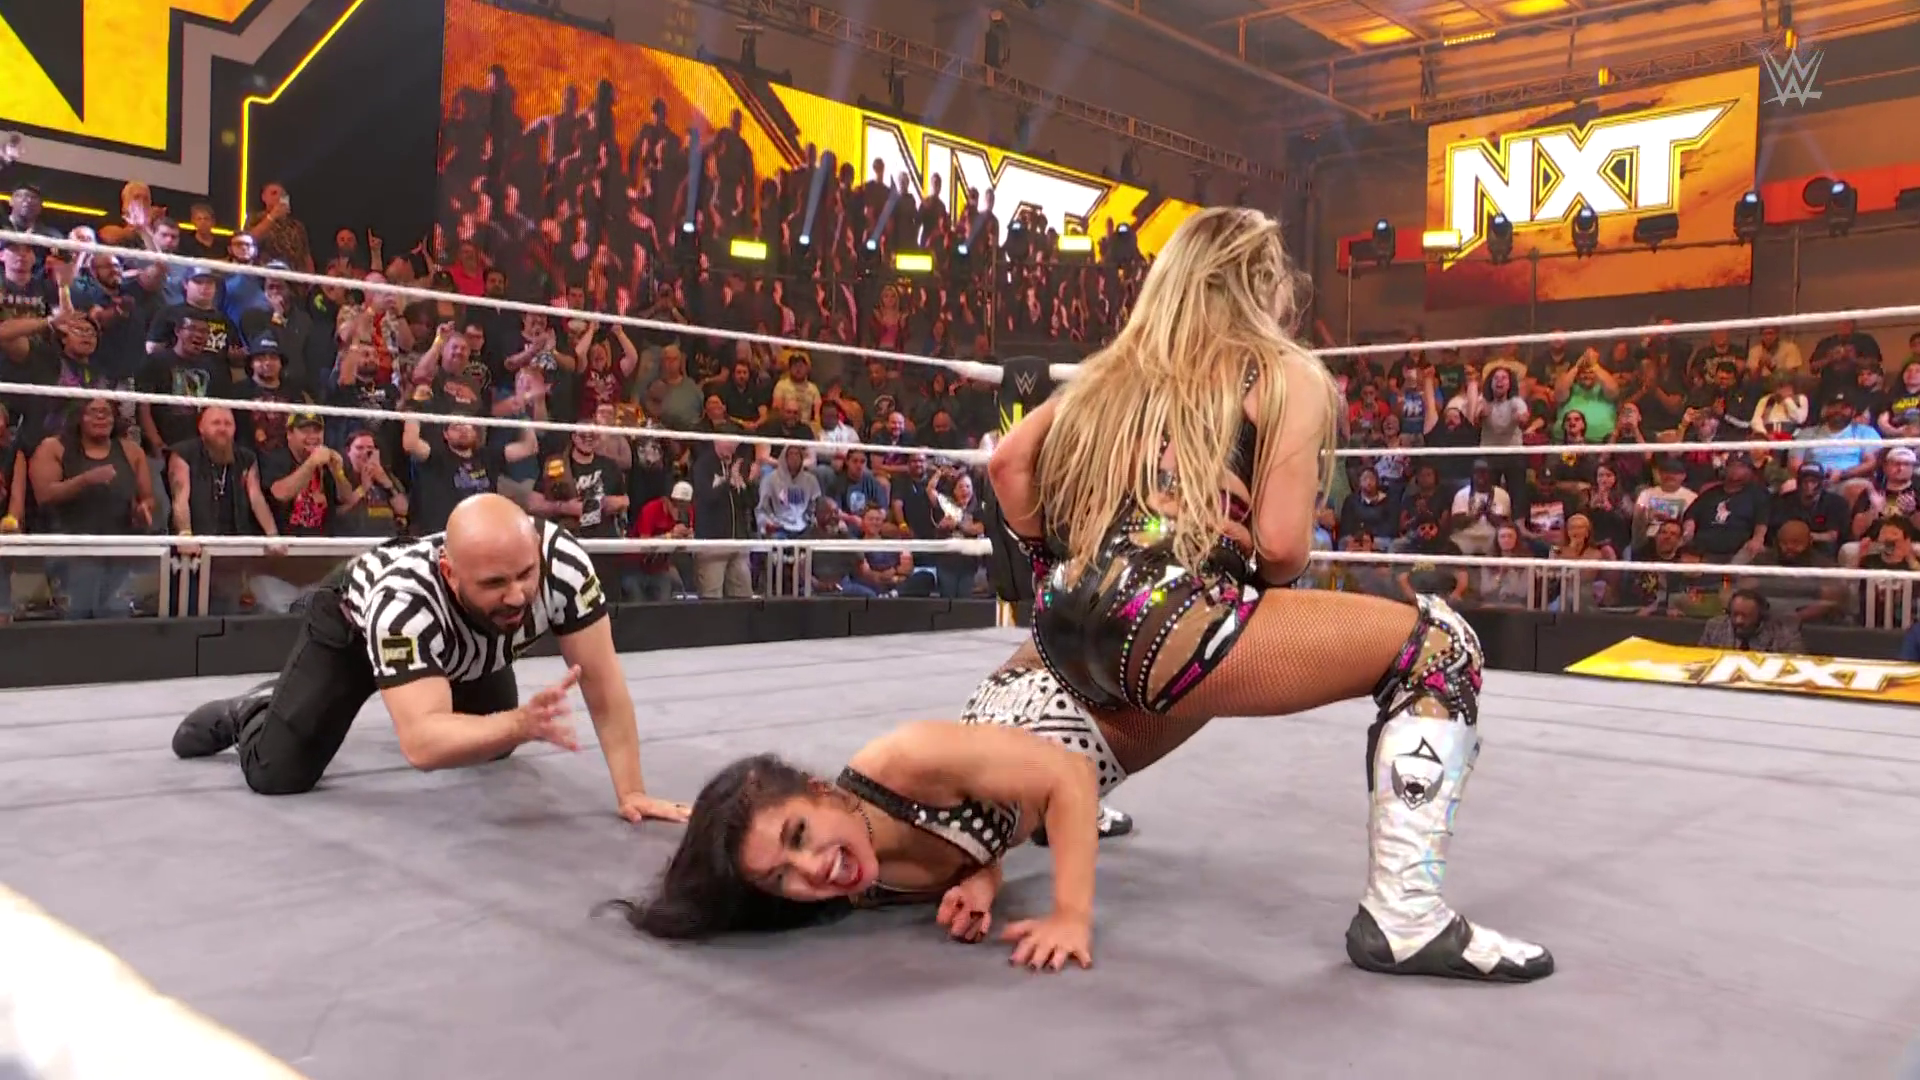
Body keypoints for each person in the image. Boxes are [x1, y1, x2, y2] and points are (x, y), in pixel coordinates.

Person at [986, 207, 1549, 982]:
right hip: (1167, 623)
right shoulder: (1279, 372)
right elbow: (1282, 549)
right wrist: (1237, 565)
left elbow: (1008, 463)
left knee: (1090, 693)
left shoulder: (1110, 372)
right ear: (1259, 283)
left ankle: (1051, 807)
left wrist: (1059, 559)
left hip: (1066, 617)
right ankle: (1407, 917)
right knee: (1440, 646)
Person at [170, 493, 689, 823]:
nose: (516, 595)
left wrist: (632, 791)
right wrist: (519, 721)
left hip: (469, 644)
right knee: (278, 774)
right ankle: (256, 708)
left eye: (525, 574)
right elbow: (421, 744)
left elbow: (602, 680)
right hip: (353, 628)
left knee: (492, 745)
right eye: (495, 582)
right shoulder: (403, 603)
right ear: (450, 573)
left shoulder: (562, 564)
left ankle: (456, 673)